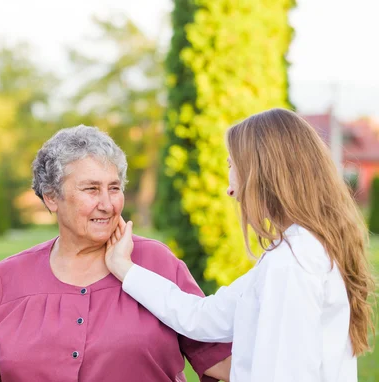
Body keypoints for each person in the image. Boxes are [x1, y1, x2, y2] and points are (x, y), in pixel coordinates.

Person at [104, 108, 376, 382]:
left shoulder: (292, 263)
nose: (230, 189)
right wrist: (126, 269)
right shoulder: (298, 251)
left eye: (232, 166)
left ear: (262, 172)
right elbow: (202, 318)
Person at [0, 125, 232, 382]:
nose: (107, 204)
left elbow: (219, 358)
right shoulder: (7, 278)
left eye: (114, 188)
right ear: (51, 197)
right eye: (91, 189)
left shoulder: (156, 262)